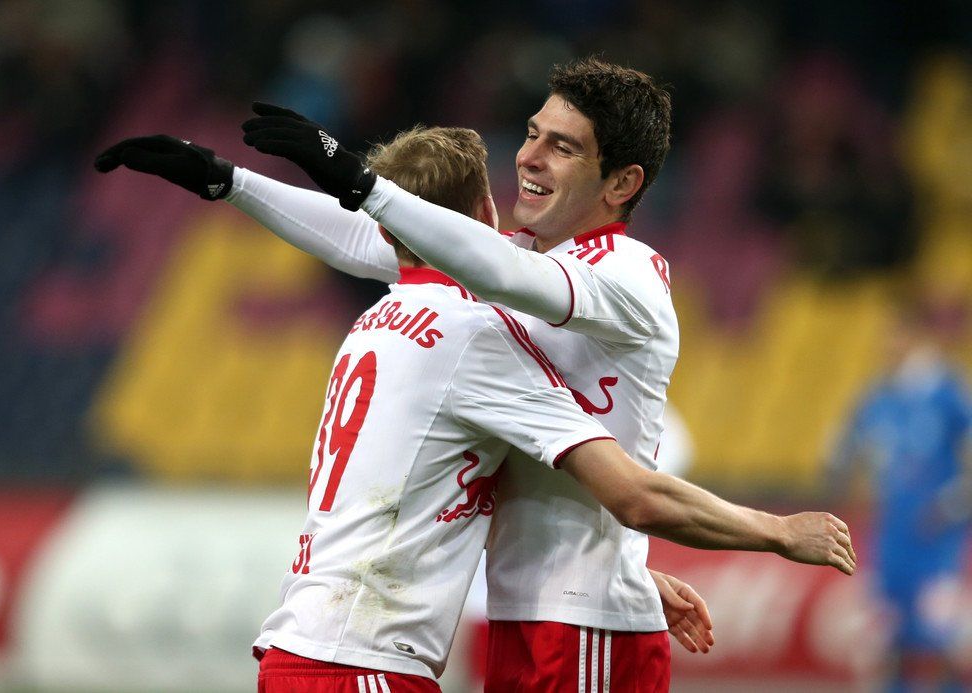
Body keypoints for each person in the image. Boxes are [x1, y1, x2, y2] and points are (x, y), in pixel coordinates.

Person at [94, 57, 854, 691]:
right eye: (531, 134)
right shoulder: (506, 266)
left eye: (563, 147)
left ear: (621, 183)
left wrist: (358, 177)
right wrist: (227, 180)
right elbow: (381, 244)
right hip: (524, 610)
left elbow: (476, 264)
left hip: (582, 620)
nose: (529, 157)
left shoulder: (626, 274)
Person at [829, 298, 971, 692]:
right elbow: (843, 455)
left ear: (915, 335)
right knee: (888, 644)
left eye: (894, 335)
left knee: (939, 644)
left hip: (936, 544)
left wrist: (951, 505)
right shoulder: (878, 397)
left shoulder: (948, 392)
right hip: (891, 540)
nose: (886, 344)